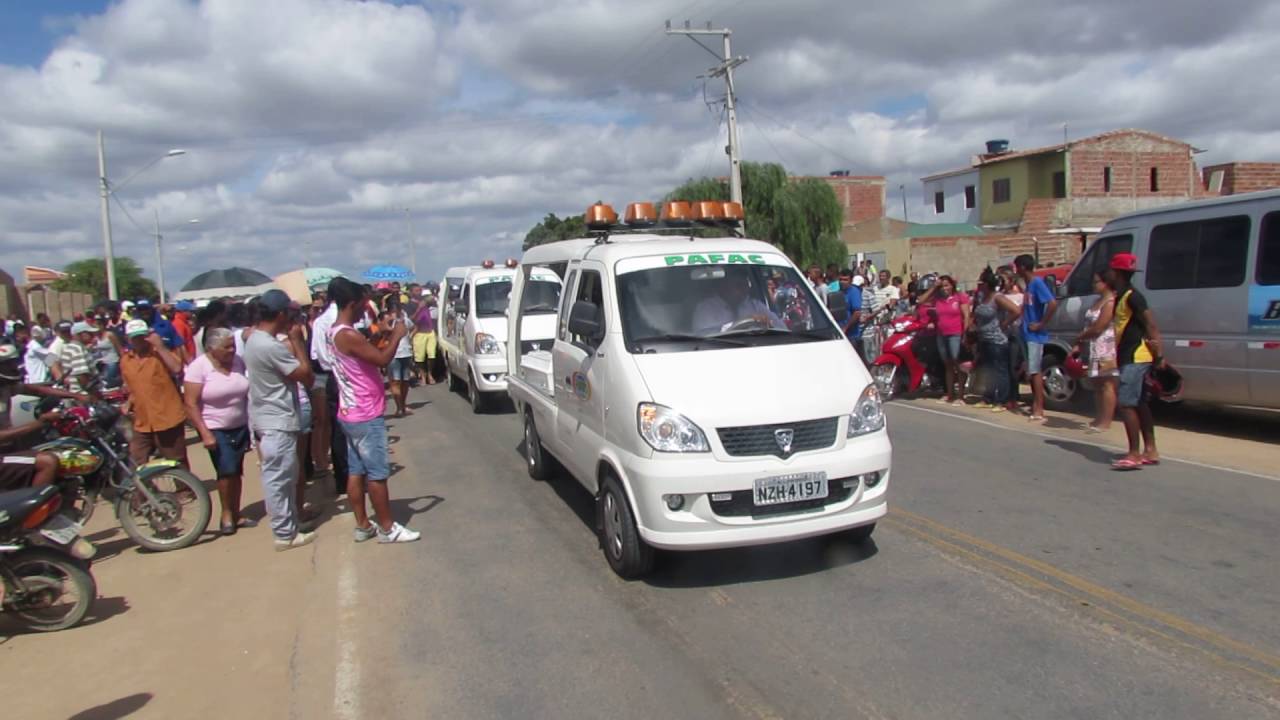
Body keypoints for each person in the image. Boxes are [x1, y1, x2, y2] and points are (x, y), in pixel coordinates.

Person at [326, 278, 420, 544]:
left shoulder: (335, 331)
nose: (364, 311)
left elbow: (366, 351)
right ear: (353, 303)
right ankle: (388, 528)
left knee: (357, 471)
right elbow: (381, 360)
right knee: (377, 474)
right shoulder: (348, 334)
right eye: (362, 305)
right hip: (365, 412)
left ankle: (363, 525)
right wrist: (398, 336)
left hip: (351, 410)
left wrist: (382, 334)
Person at [243, 290, 315, 551]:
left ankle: (288, 527)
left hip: (270, 417)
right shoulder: (269, 346)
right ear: (281, 314)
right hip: (277, 420)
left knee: (283, 476)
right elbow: (305, 375)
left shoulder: (256, 339)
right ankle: (285, 533)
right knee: (279, 479)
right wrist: (297, 342)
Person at [184, 328, 252, 535]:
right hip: (216, 428)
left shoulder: (238, 362)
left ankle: (237, 511)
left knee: (237, 470)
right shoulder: (199, 368)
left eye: (233, 345)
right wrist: (204, 432)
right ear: (212, 349)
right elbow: (191, 403)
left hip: (239, 425)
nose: (232, 350)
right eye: (227, 347)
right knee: (226, 470)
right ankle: (226, 514)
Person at [0, 341, 85, 490]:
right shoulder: (35, 346)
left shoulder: (6, 388)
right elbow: (51, 358)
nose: (15, 368)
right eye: (8, 365)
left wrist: (75, 395)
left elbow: (36, 389)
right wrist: (41, 422)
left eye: (14, 363)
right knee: (48, 461)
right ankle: (33, 510)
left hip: (9, 448)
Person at [1107, 254, 1163, 470]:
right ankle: (1150, 449)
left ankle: (1134, 454)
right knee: (1139, 403)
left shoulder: (1133, 296)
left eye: (1111, 270)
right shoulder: (1121, 295)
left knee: (1126, 403)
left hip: (1136, 355)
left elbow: (1151, 325)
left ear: (1117, 273)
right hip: (1129, 355)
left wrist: (1159, 355)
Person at [115, 319, 189, 468]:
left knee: (176, 461)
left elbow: (176, 368)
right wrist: (129, 403)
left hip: (167, 418)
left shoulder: (160, 354)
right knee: (136, 462)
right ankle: (142, 491)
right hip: (142, 421)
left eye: (142, 336)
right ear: (128, 339)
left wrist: (160, 346)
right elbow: (133, 388)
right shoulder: (125, 361)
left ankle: (186, 490)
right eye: (134, 337)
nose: (139, 340)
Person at [311, 282, 347, 494]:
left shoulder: (321, 322)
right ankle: (347, 478)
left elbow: (318, 355)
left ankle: (345, 479)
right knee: (343, 431)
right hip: (339, 376)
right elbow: (323, 357)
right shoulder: (329, 321)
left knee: (340, 430)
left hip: (334, 375)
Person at [1074, 272, 1119, 433]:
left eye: (1096, 282)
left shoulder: (1110, 302)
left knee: (1107, 384)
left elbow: (1100, 326)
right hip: (1093, 346)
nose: (1093, 285)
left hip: (1106, 346)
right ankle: (1099, 417)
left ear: (1106, 283)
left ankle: (1106, 421)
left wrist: (1081, 336)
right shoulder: (1097, 301)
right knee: (1097, 384)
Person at [971, 269, 1020, 412]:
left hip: (997, 340)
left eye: (981, 283)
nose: (979, 285)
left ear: (987, 284)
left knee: (1000, 370)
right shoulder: (981, 298)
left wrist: (1004, 324)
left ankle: (1002, 400)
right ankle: (988, 398)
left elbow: (1016, 311)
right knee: (987, 370)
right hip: (984, 338)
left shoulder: (997, 298)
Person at [1016, 254, 1058, 422]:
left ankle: (1039, 407)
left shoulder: (1037, 283)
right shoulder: (1027, 286)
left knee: (1035, 371)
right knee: (1030, 370)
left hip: (1035, 335)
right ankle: (1035, 404)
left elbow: (1052, 303)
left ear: (1023, 267)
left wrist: (1041, 323)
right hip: (1026, 333)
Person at [919, 274, 970, 404]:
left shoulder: (960, 297)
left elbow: (966, 316)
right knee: (948, 364)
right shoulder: (937, 299)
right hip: (942, 334)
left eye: (947, 285)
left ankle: (960, 395)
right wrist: (934, 287)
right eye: (942, 286)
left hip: (956, 334)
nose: (944, 288)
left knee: (957, 363)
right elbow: (921, 300)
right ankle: (950, 393)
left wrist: (965, 334)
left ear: (952, 285)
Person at [692, 271, 785, 334]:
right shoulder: (706, 308)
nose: (744, 290)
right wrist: (740, 323)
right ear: (723, 286)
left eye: (745, 285)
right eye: (738, 285)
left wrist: (769, 323)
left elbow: (782, 328)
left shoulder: (755, 306)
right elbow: (704, 335)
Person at [383, 300, 414, 417]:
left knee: (405, 381)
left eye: (397, 310)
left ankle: (403, 405)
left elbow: (414, 327)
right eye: (393, 311)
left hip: (406, 352)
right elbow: (383, 332)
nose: (395, 313)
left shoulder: (405, 320)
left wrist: (410, 337)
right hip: (393, 354)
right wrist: (390, 323)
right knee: (396, 381)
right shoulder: (387, 321)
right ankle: (399, 407)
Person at [59, 321, 100, 395]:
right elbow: (81, 375)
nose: (93, 336)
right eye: (90, 333)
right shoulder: (76, 349)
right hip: (81, 393)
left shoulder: (69, 346)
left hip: (72, 392)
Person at [412, 291, 438, 385]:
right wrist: (419, 308)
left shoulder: (434, 308)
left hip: (430, 332)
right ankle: (423, 376)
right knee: (420, 357)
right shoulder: (415, 306)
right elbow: (412, 320)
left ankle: (430, 374)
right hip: (419, 333)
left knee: (432, 354)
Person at [837, 270, 864, 356]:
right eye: (841, 279)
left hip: (851, 335)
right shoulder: (838, 292)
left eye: (845, 280)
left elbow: (857, 313)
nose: (842, 282)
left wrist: (845, 328)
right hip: (839, 333)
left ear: (851, 280)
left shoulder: (854, 292)